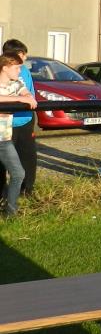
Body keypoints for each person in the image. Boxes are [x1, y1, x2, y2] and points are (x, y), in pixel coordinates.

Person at [0, 52, 37, 216]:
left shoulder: (15, 82)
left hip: (3, 138)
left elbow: (25, 92)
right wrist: (20, 100)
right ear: (5, 68)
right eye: (16, 68)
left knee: (18, 173)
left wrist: (27, 96)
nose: (19, 71)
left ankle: (11, 212)